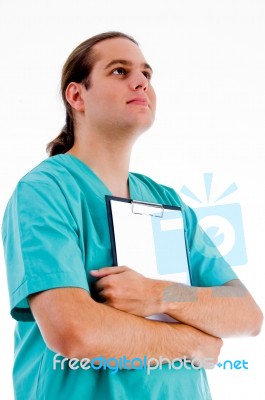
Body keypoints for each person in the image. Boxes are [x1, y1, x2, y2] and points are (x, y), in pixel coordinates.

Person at [2, 31, 263, 400]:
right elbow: (74, 332)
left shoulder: (166, 201)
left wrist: (160, 295)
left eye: (146, 73)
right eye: (120, 71)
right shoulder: (46, 191)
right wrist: (190, 342)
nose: (141, 81)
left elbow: (246, 314)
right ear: (77, 95)